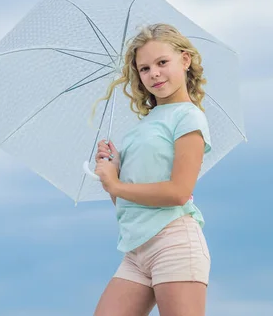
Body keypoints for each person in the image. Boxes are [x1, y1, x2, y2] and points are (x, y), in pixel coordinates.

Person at [91, 23, 213, 316]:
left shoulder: (189, 118)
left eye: (162, 63)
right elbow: (127, 203)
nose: (154, 73)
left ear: (184, 60)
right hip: (136, 250)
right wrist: (114, 173)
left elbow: (179, 192)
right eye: (144, 68)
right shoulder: (141, 129)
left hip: (173, 242)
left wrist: (117, 185)